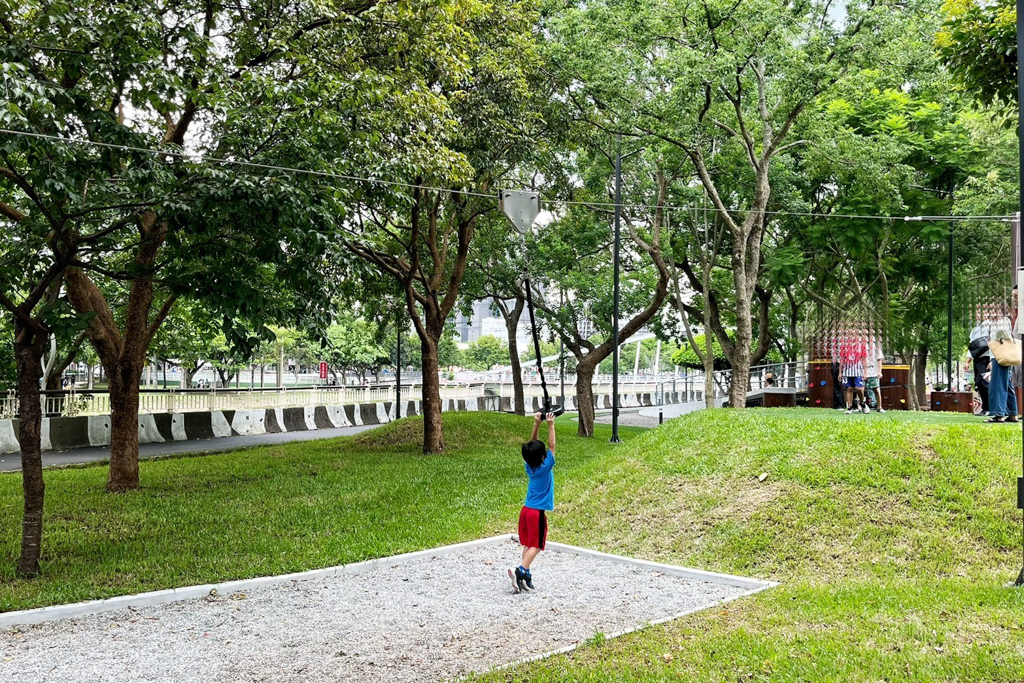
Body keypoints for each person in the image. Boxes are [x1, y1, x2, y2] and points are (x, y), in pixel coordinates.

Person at [511, 412, 556, 592]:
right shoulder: (545, 467)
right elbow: (551, 445)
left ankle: (526, 572)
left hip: (526, 511)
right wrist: (551, 425)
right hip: (536, 513)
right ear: (543, 457)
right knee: (536, 545)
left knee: (529, 544)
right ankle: (520, 570)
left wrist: (537, 423)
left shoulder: (529, 466)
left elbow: (532, 445)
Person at [863, 338, 886, 413]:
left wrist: (879, 372)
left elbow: (879, 360)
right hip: (862, 371)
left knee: (876, 389)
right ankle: (861, 406)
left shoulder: (876, 348)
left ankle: (879, 407)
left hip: (873, 371)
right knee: (860, 389)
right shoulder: (861, 347)